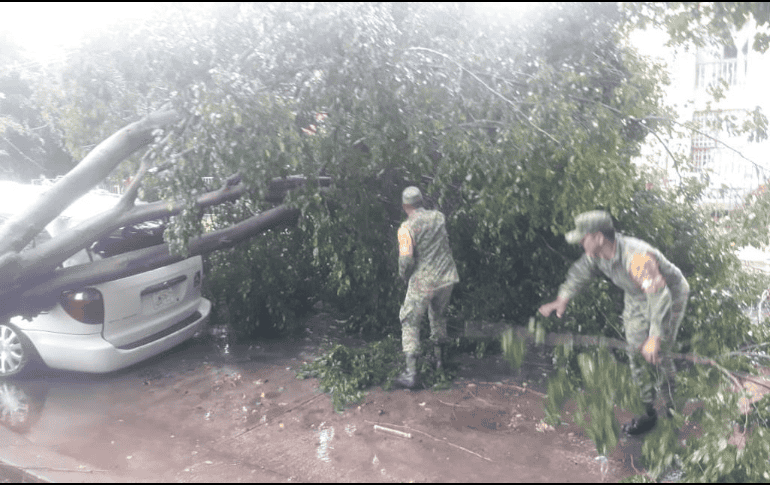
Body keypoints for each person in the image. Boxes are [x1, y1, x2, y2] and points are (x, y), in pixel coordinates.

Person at [538, 210, 689, 435]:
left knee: (658, 353)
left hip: (669, 294)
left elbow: (660, 296)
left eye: (583, 237)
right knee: (635, 351)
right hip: (637, 295)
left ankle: (670, 412)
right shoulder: (596, 254)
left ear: (598, 237)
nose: (580, 241)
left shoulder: (637, 258)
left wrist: (655, 336)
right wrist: (562, 299)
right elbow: (580, 272)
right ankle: (647, 413)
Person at [394, 186, 460, 389]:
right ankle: (440, 363)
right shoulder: (439, 217)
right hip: (446, 277)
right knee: (438, 317)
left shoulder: (406, 229)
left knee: (410, 321)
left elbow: (406, 260)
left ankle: (411, 374)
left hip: (423, 281)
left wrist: (403, 276)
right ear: (421, 201)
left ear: (405, 206)